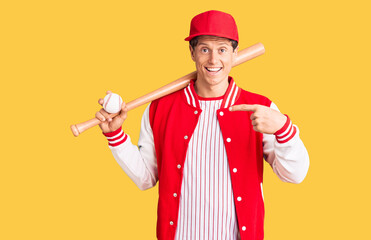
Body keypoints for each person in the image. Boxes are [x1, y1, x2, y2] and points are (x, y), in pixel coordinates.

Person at [95, 10, 309, 240]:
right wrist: (114, 135)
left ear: (235, 54)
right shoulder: (160, 109)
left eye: (222, 50)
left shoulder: (260, 108)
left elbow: (295, 175)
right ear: (192, 53)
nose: (214, 60)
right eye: (205, 49)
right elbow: (146, 178)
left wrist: (284, 129)